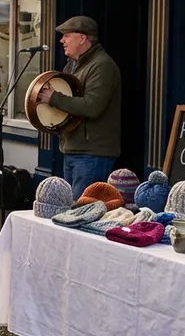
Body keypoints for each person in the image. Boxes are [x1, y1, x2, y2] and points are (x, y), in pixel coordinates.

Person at [38, 16, 122, 200]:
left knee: (80, 211)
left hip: (92, 152)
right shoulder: (73, 65)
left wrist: (53, 97)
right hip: (74, 148)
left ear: (82, 38)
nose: (62, 40)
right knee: (71, 209)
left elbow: (93, 106)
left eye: (67, 35)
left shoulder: (102, 65)